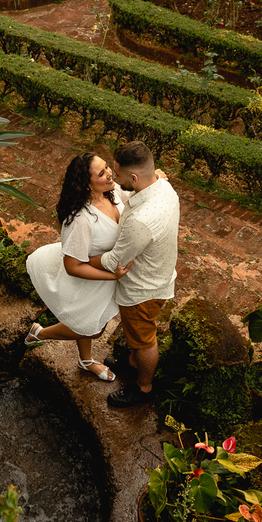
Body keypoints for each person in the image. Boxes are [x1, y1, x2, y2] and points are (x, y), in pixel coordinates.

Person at [23, 152, 133, 381]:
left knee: (88, 320)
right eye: (101, 173)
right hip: (89, 279)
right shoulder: (81, 219)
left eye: (107, 167)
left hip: (106, 273)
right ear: (86, 184)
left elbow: (134, 189)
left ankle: (85, 360)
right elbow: (73, 265)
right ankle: (41, 333)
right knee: (94, 329)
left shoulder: (111, 192)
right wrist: (112, 277)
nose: (110, 174)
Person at [90, 141, 180, 407]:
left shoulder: (141, 220)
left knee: (144, 341)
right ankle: (132, 361)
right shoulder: (164, 186)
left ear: (133, 178)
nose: (113, 178)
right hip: (158, 277)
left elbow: (115, 261)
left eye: (116, 174)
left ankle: (143, 387)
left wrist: (82, 259)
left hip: (142, 291)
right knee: (137, 335)